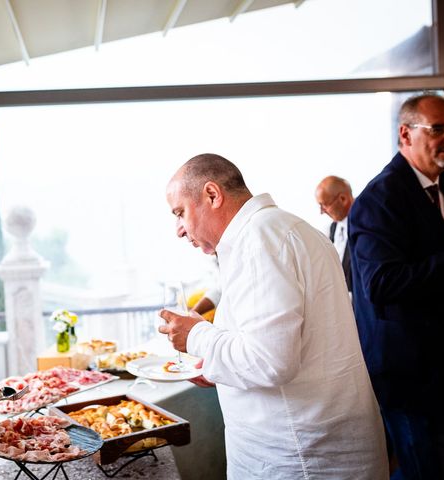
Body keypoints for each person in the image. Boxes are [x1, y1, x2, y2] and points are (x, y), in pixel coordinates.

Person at [159, 153, 387, 479]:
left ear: (212, 194)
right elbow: (289, 343)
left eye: (180, 213)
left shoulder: (259, 241)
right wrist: (219, 368)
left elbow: (270, 361)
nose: (179, 230)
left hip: (299, 456)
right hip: (315, 443)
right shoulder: (288, 229)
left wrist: (195, 336)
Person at [349, 93, 444, 479]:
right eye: (438, 129)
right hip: (410, 377)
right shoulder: (380, 199)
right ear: (405, 134)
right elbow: (381, 283)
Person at [315, 175, 354, 292]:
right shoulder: (331, 230)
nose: (322, 212)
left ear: (343, 199)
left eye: (325, 205)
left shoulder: (366, 224)